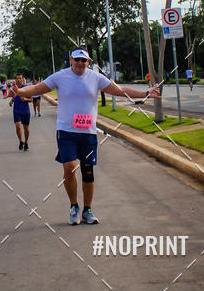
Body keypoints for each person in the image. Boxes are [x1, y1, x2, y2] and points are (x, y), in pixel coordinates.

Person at [10, 48, 160, 224]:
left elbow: (119, 90)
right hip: (66, 131)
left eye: (84, 61)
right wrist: (19, 92)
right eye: (77, 60)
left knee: (88, 171)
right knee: (69, 167)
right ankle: (74, 207)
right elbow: (38, 88)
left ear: (88, 62)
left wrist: (145, 93)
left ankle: (87, 210)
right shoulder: (60, 76)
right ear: (71, 59)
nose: (80, 63)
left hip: (88, 133)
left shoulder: (95, 78)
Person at [10, 74, 32, 151]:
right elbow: (14, 96)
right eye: (17, 78)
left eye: (20, 78)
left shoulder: (26, 88)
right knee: (18, 126)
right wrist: (11, 101)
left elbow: (31, 99)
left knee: (26, 128)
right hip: (16, 110)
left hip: (25, 111)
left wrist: (25, 99)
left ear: (23, 80)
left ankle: (26, 142)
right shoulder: (13, 88)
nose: (18, 80)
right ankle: (20, 141)